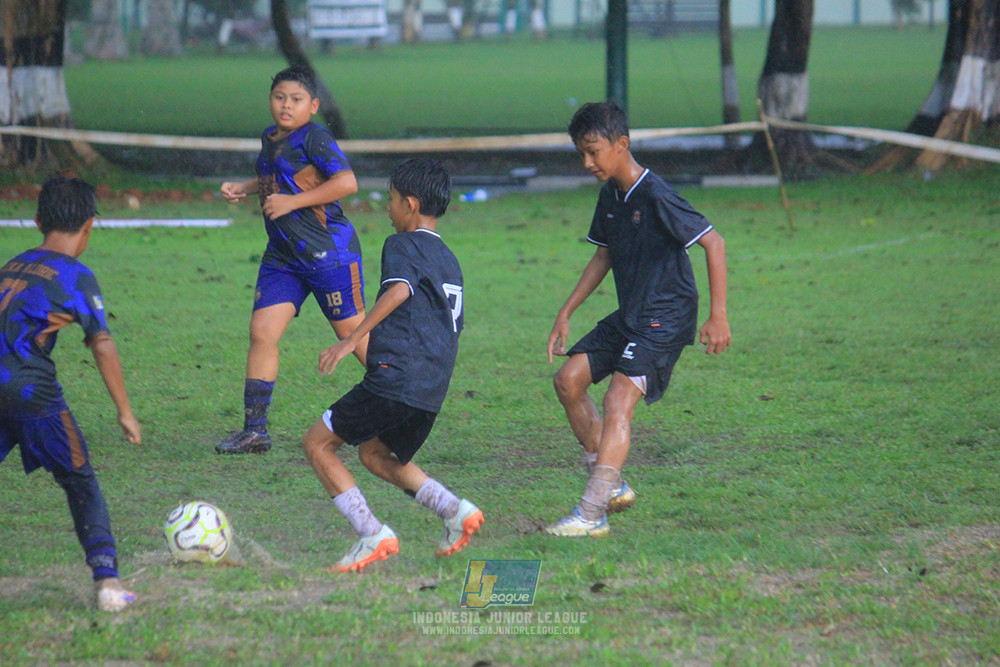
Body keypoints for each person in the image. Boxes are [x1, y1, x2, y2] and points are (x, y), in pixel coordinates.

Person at [545, 102, 731, 537]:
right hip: (632, 314)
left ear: (622, 144)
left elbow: (715, 243)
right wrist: (566, 312)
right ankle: (609, 485)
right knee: (568, 380)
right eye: (581, 154)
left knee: (616, 402)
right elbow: (604, 254)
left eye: (593, 152)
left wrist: (717, 315)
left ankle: (591, 514)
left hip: (666, 315)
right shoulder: (610, 193)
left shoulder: (656, 193)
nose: (586, 163)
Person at [301, 158, 483, 573]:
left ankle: (371, 534)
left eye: (393, 199)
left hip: (396, 377)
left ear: (411, 204)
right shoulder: (449, 258)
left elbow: (399, 291)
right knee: (376, 454)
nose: (387, 207)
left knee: (317, 444)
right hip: (431, 387)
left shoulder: (401, 244)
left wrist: (351, 340)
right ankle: (455, 511)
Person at [0, 175, 143, 611]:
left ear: (38, 219)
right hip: (31, 393)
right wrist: (125, 411)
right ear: (90, 226)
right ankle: (107, 583)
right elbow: (101, 342)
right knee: (79, 479)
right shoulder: (77, 276)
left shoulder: (11, 265)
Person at [216, 65, 368, 455]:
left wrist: (294, 203)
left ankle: (407, 406)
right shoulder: (269, 137)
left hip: (327, 254)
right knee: (262, 331)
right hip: (283, 257)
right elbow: (278, 181)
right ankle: (255, 431)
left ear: (313, 106)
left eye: (296, 99)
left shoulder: (315, 138)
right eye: (279, 97)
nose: (286, 105)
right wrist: (244, 188)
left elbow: (347, 183)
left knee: (354, 337)